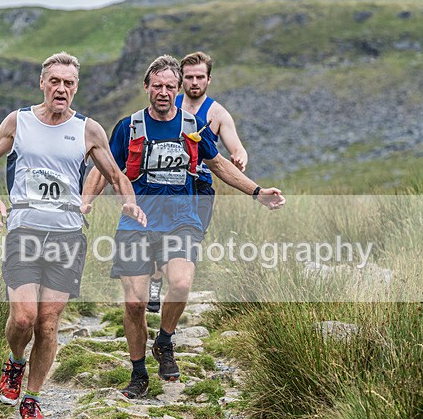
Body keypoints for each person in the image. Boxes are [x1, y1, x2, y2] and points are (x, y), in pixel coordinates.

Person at [81, 55, 284, 399]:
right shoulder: (128, 127)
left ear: (177, 91)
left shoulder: (192, 126)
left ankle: (164, 339)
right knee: (134, 304)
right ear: (146, 87)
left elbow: (218, 164)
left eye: (169, 87)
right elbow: (106, 170)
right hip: (137, 223)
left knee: (180, 282)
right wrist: (84, 203)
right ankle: (138, 373)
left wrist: (256, 191)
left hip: (181, 220)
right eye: (157, 86)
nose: (163, 92)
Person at [0, 52, 146, 419]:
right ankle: (16, 362)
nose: (62, 89)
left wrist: (128, 203)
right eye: (55, 81)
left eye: (69, 83)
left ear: (76, 87)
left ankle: (32, 398)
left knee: (48, 323)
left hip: (67, 236)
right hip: (24, 231)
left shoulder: (88, 130)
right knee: (23, 318)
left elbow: (115, 175)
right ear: (43, 83)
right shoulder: (18, 122)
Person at [146, 51, 248, 313]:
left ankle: (173, 283)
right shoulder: (169, 103)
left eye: (199, 77)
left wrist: (239, 157)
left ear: (208, 79)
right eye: (189, 77)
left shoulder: (217, 114)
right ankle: (156, 277)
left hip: (200, 186)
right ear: (181, 80)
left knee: (189, 239)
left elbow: (235, 146)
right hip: (167, 184)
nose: (194, 82)